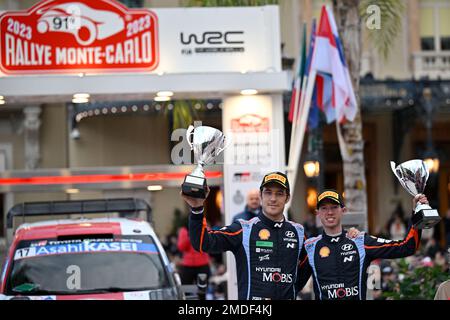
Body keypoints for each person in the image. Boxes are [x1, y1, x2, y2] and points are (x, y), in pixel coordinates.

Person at [181, 171, 310, 300]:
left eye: (279, 194)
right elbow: (202, 243)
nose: (273, 199)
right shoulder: (244, 229)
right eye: (268, 192)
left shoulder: (298, 232)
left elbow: (309, 265)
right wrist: (197, 208)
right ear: (261, 196)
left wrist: (290, 289)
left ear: (287, 198)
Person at [301, 189, 426, 300]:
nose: (329, 212)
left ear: (343, 211)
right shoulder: (310, 247)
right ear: (317, 213)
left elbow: (407, 247)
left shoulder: (360, 241)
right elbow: (292, 283)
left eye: (334, 207)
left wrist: (416, 211)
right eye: (324, 208)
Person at [177, 222, 211, 286]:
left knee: (202, 291)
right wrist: (189, 235)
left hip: (202, 265)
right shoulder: (184, 230)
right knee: (186, 291)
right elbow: (181, 247)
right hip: (187, 266)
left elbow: (208, 244)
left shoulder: (205, 228)